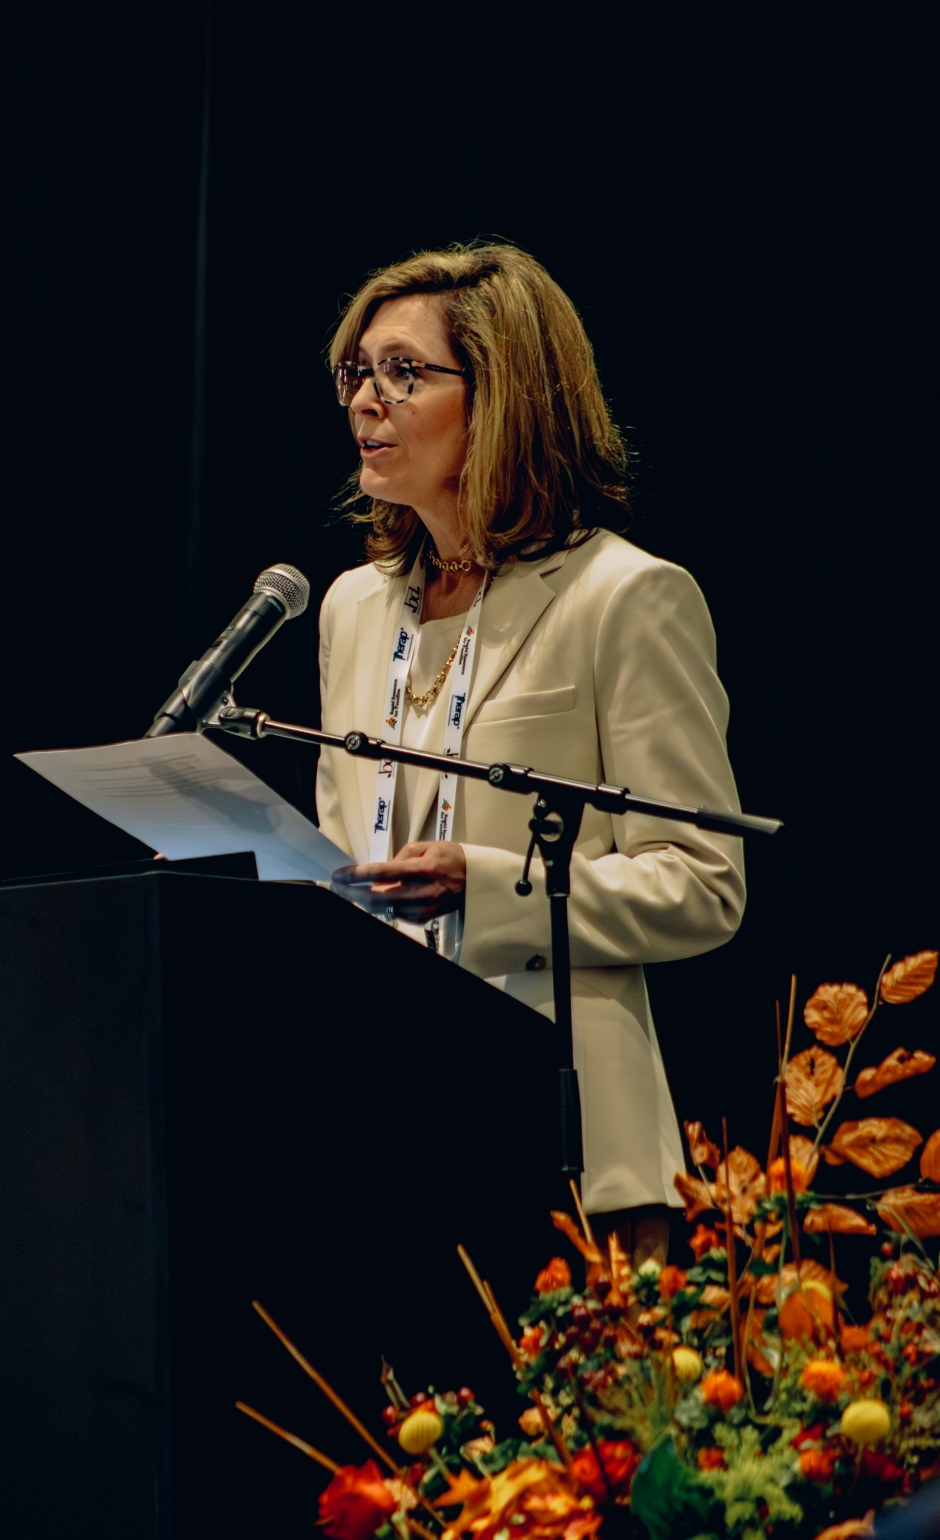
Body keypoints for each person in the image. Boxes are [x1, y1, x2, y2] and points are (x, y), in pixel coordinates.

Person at [317, 243, 745, 1261]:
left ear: (502, 397)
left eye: (403, 372)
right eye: (355, 372)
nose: (366, 400)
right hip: (380, 1133)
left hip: (569, 1141)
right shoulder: (351, 607)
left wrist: (490, 882)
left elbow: (702, 882)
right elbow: (344, 861)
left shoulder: (623, 597)